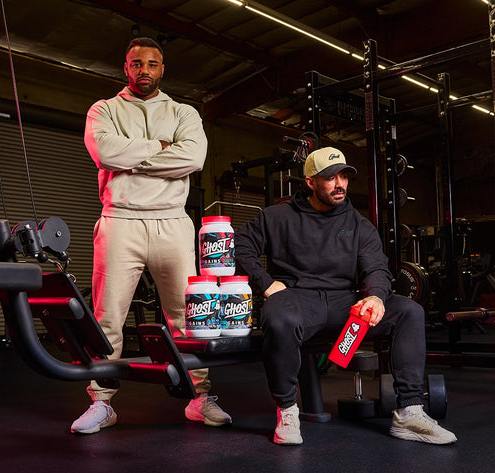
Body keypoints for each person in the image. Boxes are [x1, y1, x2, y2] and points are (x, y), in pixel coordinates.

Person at [234, 146, 457, 446]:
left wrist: (375, 297)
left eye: (344, 176)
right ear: (310, 182)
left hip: (344, 302)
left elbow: (376, 267)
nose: (339, 184)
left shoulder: (358, 224)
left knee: (409, 312)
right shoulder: (277, 217)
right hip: (297, 298)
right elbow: (240, 245)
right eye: (330, 178)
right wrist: (266, 283)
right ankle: (287, 410)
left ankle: (409, 412)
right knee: (279, 316)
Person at [71, 37, 231, 433]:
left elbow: (192, 157)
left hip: (171, 221)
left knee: (189, 315)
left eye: (152, 64)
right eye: (137, 63)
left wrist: (132, 158)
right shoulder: (103, 109)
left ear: (162, 69)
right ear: (126, 68)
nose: (144, 70)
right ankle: (102, 402)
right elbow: (105, 153)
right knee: (107, 317)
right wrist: (160, 150)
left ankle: (199, 398)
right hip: (119, 219)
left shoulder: (183, 112)